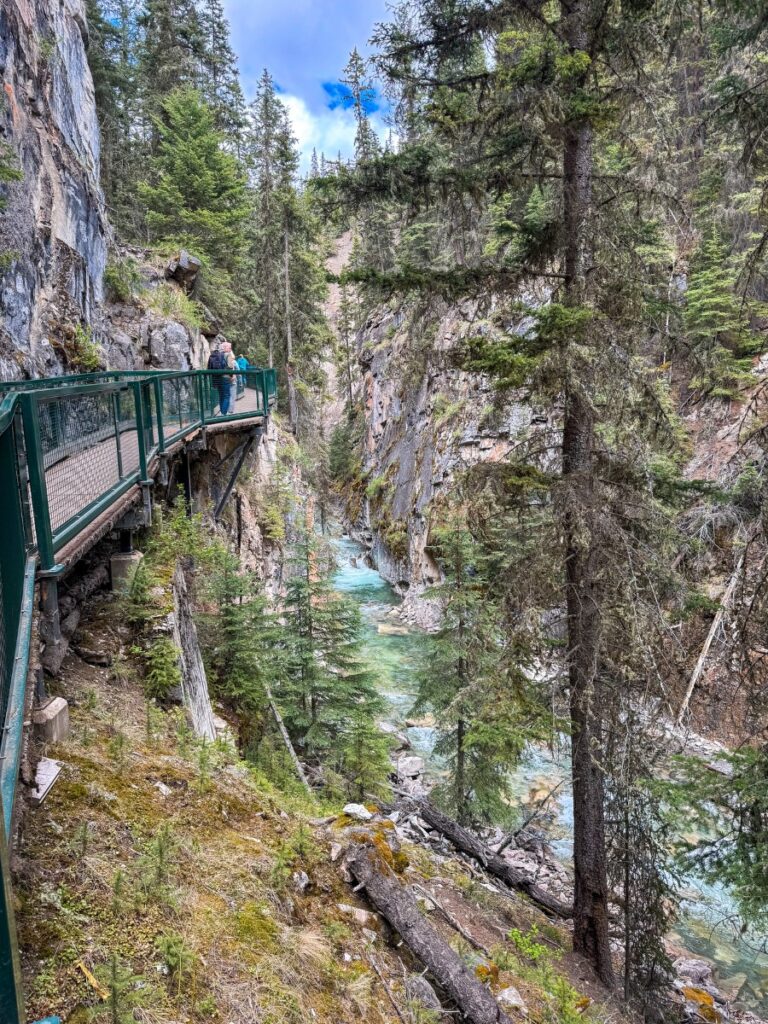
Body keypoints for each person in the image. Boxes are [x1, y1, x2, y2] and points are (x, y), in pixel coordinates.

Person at [207, 341, 234, 415]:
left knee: (221, 395)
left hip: (217, 378)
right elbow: (230, 367)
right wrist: (231, 376)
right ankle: (224, 413)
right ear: (225, 347)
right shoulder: (228, 355)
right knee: (226, 396)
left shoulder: (217, 355)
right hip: (225, 378)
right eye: (229, 347)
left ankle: (222, 412)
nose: (230, 349)